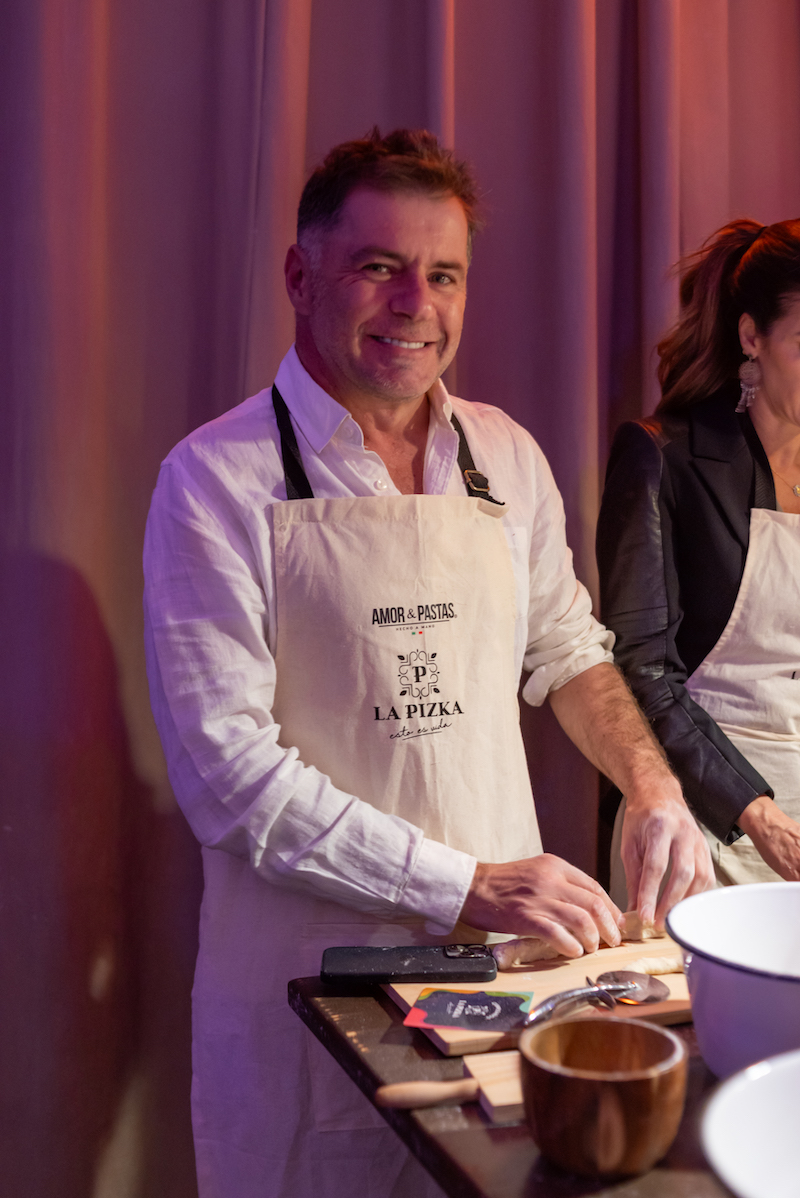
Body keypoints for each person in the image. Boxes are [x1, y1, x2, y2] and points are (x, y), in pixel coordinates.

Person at [143, 128, 710, 1198]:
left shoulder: (504, 454)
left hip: (507, 978)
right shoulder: (213, 481)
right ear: (300, 277)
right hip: (310, 986)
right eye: (379, 267)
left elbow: (567, 647)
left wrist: (652, 787)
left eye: (443, 274)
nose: (416, 303)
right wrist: (467, 883)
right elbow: (228, 776)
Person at [597, 217, 800, 895]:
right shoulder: (664, 456)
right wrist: (758, 814)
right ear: (751, 337)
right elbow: (642, 670)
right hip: (700, 813)